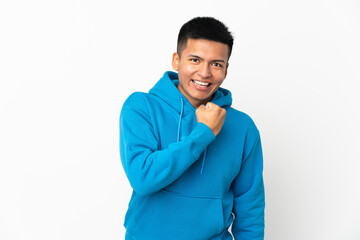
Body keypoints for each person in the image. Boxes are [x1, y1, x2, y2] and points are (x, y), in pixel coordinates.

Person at [119, 16, 265, 240]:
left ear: (226, 70)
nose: (205, 73)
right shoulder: (141, 107)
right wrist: (204, 133)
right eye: (195, 60)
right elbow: (143, 178)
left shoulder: (242, 127)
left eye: (216, 64)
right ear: (176, 61)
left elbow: (250, 207)